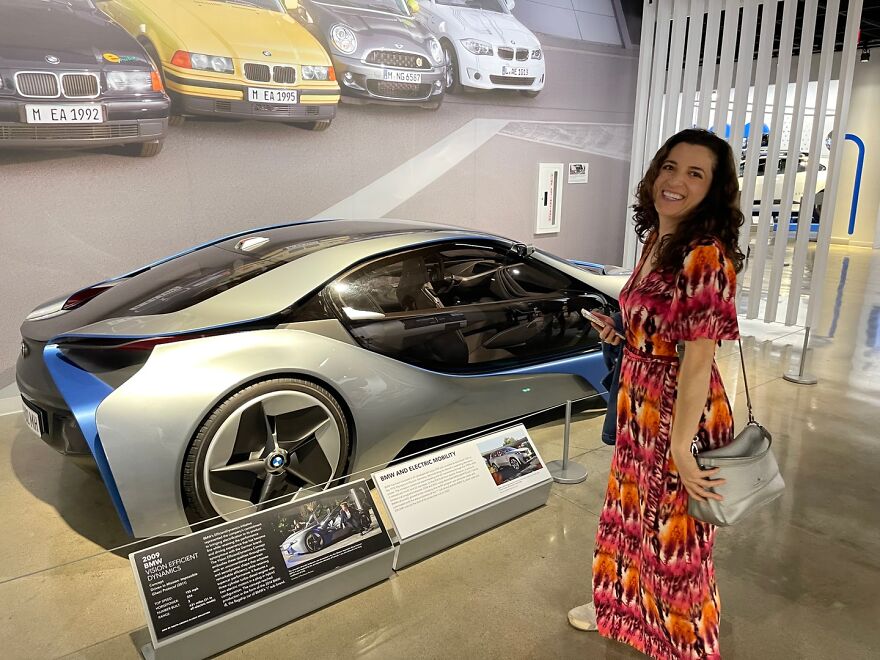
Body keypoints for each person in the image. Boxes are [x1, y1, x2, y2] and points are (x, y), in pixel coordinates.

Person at [568, 128, 745, 659]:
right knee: (631, 516)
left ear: (713, 190)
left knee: (676, 538)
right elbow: (664, 331)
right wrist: (624, 334)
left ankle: (687, 642)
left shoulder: (704, 256)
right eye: (670, 167)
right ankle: (624, 610)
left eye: (696, 173)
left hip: (680, 415)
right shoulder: (660, 241)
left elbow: (697, 362)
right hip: (639, 405)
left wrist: (680, 447)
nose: (676, 181)